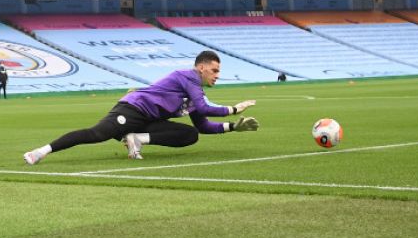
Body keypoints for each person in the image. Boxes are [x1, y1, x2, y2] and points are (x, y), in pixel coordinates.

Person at [22, 50, 258, 164]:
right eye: (214, 70)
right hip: (132, 110)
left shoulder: (194, 92)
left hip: (147, 120)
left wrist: (232, 127)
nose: (217, 75)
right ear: (201, 68)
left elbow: (204, 125)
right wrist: (234, 109)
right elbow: (205, 108)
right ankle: (40, 152)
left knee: (190, 134)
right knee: (97, 134)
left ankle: (137, 139)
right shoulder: (189, 77)